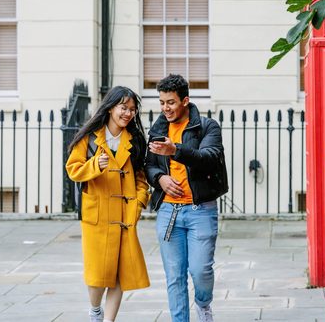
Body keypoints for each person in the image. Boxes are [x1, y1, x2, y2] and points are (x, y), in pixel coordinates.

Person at [66, 86, 151, 322]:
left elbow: (141, 177)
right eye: (124, 107)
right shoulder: (90, 137)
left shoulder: (135, 141)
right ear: (111, 107)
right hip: (98, 216)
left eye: (132, 109)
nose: (128, 113)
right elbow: (73, 170)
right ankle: (95, 310)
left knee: (119, 274)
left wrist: (140, 202)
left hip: (125, 216)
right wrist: (94, 164)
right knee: (97, 276)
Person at [145, 74, 226, 322]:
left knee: (200, 270)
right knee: (174, 275)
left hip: (200, 209)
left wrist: (176, 151)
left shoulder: (206, 127)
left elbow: (209, 157)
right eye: (161, 102)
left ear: (185, 101)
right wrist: (159, 178)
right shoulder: (158, 129)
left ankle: (203, 305)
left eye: (170, 102)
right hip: (169, 211)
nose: (165, 108)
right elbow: (148, 165)